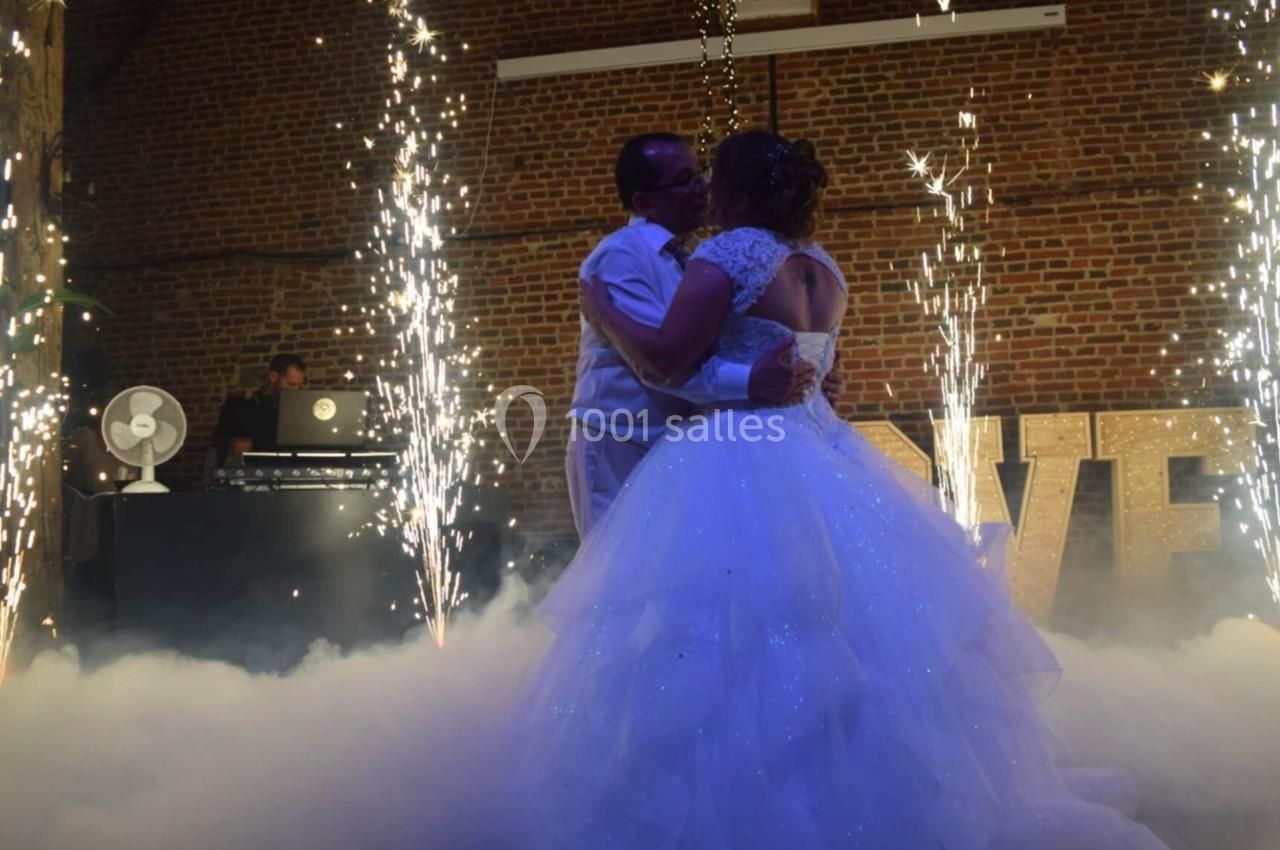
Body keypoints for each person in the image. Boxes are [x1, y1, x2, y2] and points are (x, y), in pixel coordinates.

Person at [510, 132, 1170, 849]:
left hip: (738, 450)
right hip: (822, 448)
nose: (704, 191)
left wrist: (601, 312)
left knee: (720, 629)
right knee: (854, 622)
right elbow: (822, 370)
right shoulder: (823, 267)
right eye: (689, 179)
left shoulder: (725, 255)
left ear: (738, 191)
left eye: (712, 177)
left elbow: (666, 358)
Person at [568, 131, 841, 537]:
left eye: (702, 174)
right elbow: (657, 365)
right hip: (626, 438)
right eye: (685, 179)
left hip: (704, 443)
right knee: (628, 578)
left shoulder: (715, 255)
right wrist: (756, 381)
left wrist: (809, 377)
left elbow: (678, 355)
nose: (703, 187)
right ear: (644, 201)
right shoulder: (623, 254)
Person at [212, 353, 306, 465]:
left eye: (299, 386)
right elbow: (240, 457)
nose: (296, 390)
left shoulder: (295, 413)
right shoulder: (240, 408)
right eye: (291, 385)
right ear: (273, 377)